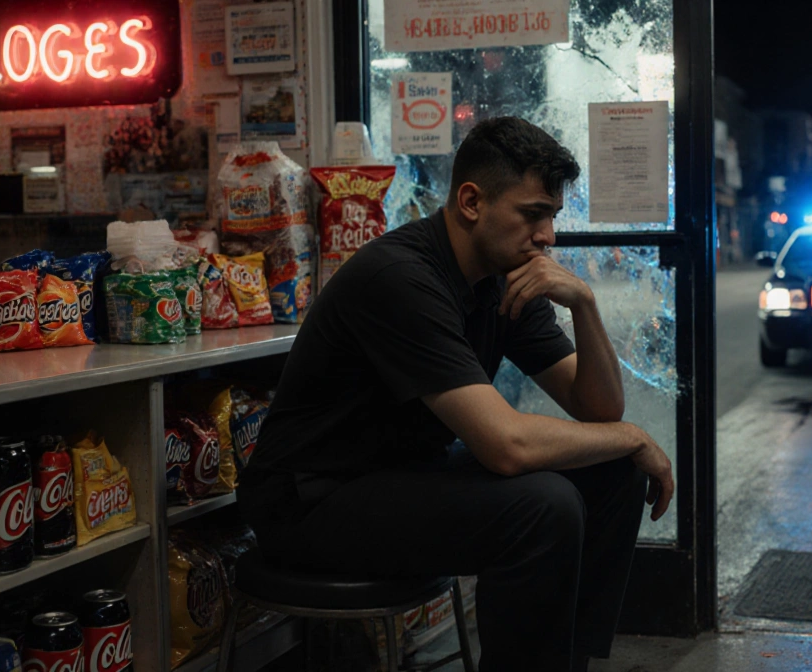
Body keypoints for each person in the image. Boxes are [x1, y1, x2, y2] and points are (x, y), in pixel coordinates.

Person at [238, 116, 675, 672]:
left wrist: (584, 303)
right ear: (472, 201)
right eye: (532, 215)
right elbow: (506, 446)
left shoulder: (506, 277)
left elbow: (598, 408)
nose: (548, 237)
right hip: (312, 501)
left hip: (403, 475)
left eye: (552, 217)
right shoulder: (402, 278)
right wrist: (632, 436)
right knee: (545, 504)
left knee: (614, 472)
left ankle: (566, 663)